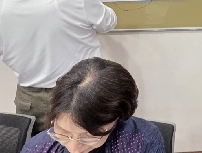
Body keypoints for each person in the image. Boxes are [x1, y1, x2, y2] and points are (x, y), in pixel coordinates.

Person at [0, 0, 117, 135]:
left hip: (29, 100)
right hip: (81, 94)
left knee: (37, 146)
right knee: (85, 145)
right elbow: (109, 22)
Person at [22, 57, 165, 153]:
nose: (74, 149)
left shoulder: (141, 140)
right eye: (63, 133)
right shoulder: (38, 148)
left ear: (115, 120)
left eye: (88, 137)